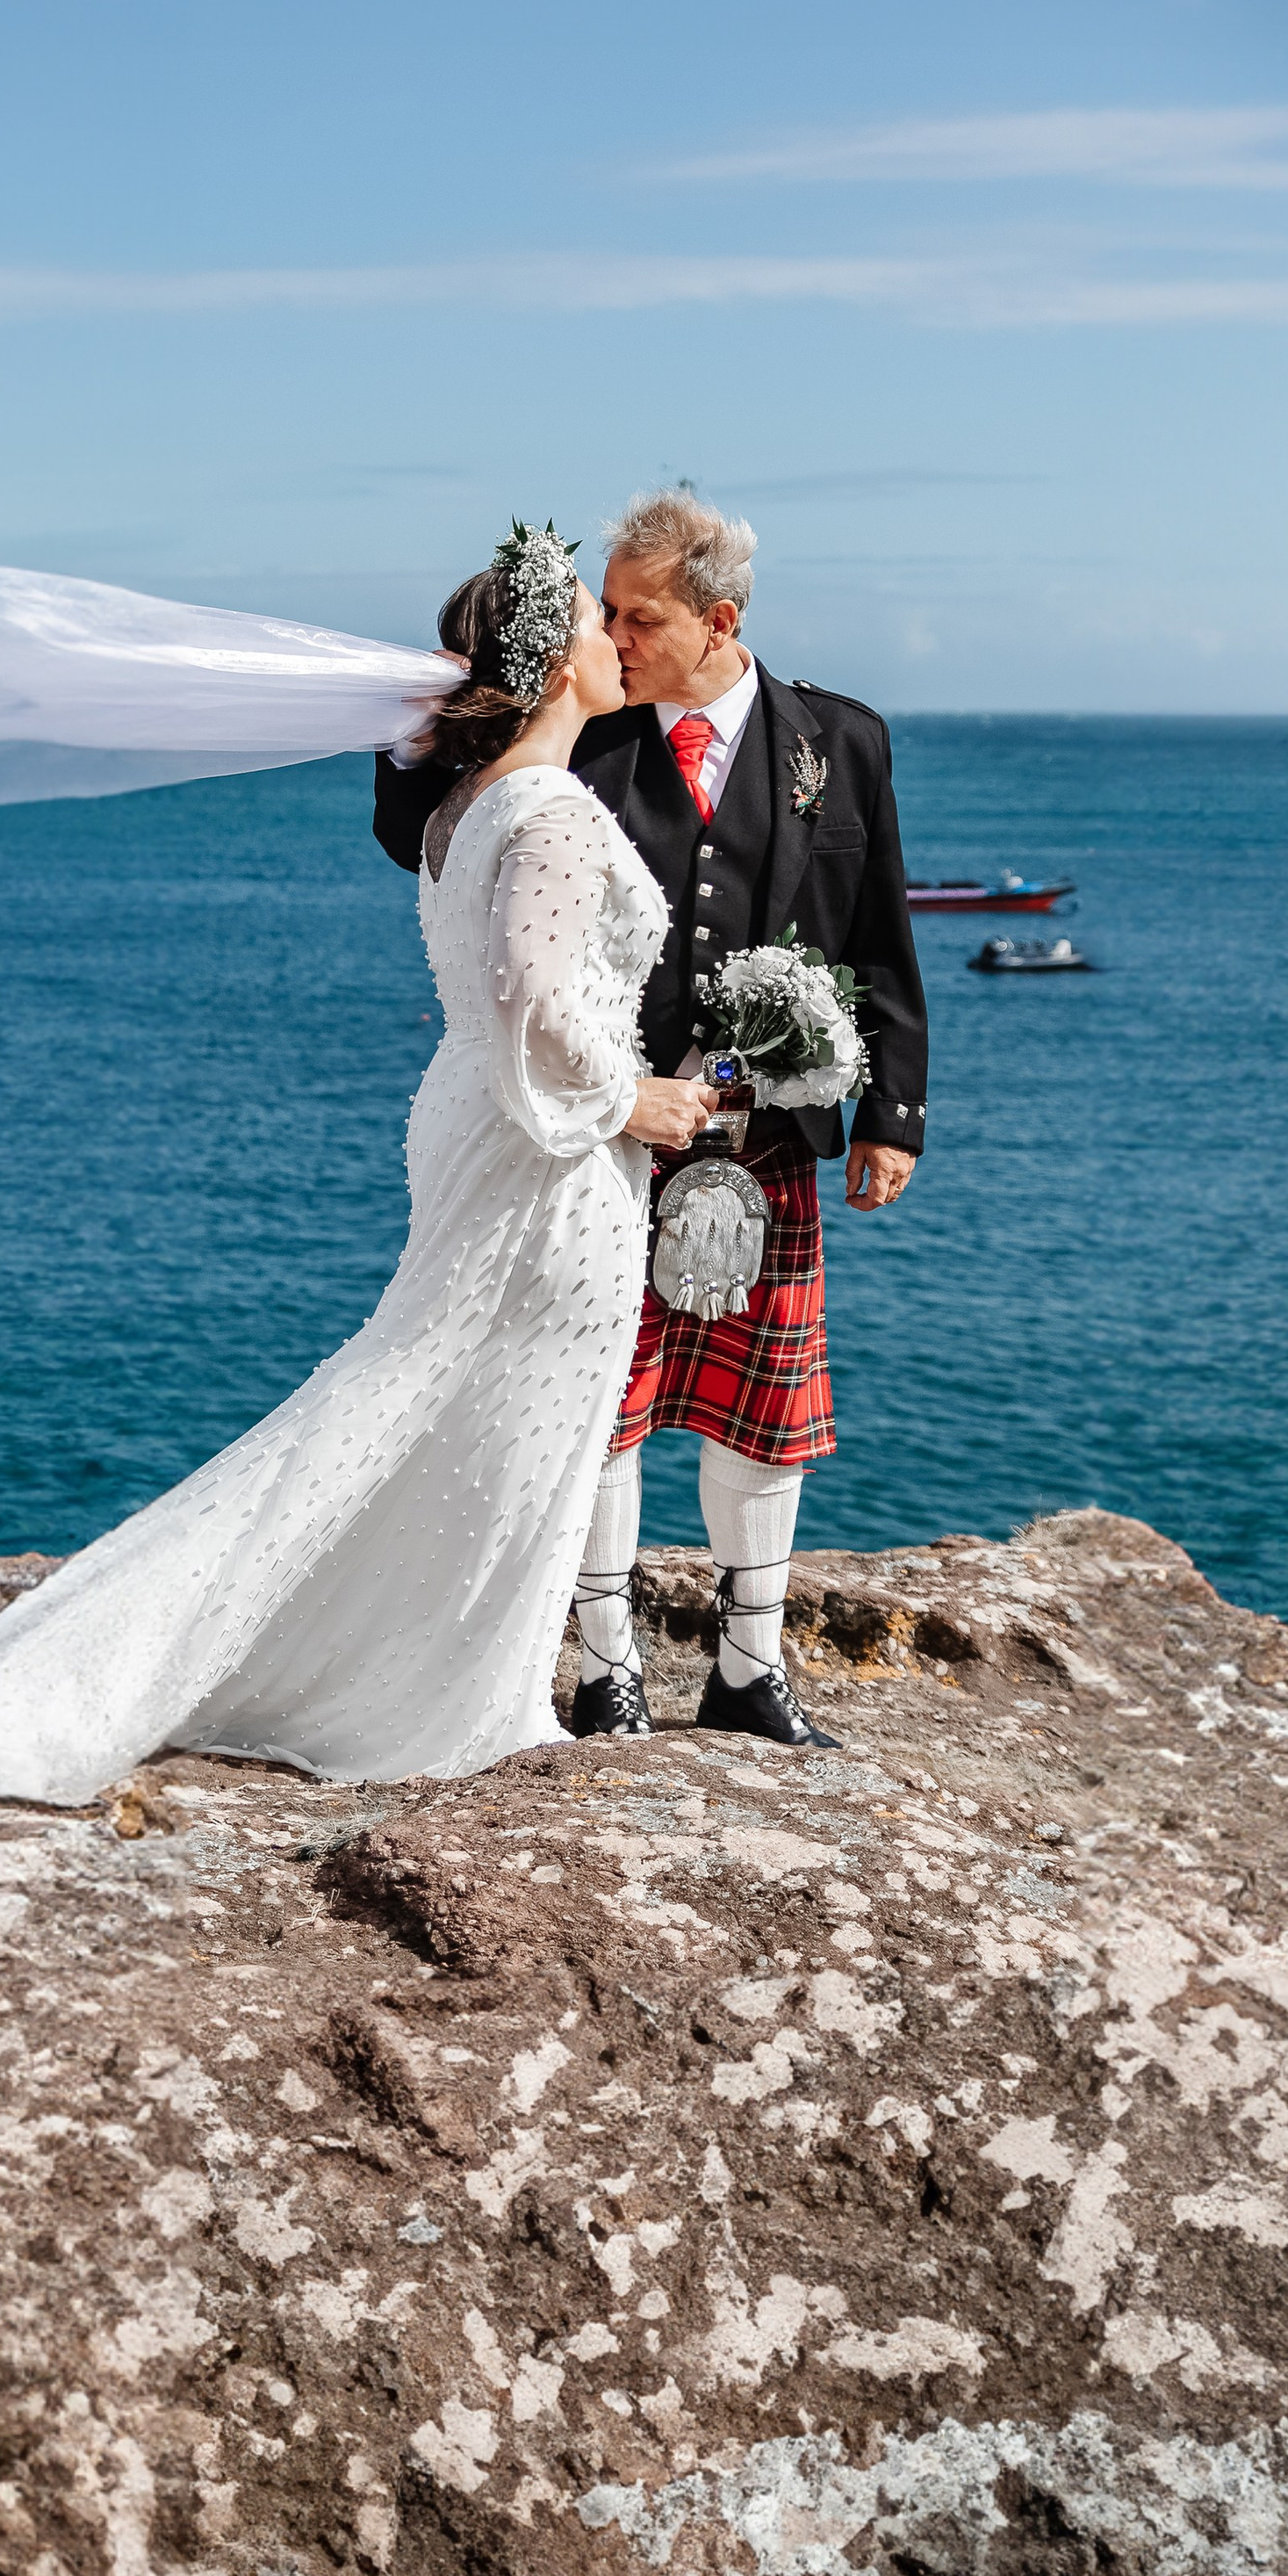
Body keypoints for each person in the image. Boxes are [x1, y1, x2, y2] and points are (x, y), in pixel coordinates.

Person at [0, 527, 719, 1870]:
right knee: (469, 1407)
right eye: (596, 622)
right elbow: (530, 999)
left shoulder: (461, 815)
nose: (618, 637)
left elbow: (512, 1004)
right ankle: (453, 1692)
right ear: (549, 664)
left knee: (444, 1403)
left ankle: (449, 1673)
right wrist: (636, 1100)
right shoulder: (548, 810)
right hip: (550, 1157)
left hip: (497, 1134)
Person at [373, 489, 927, 1750]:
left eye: (641, 614)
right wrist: (423, 715)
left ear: (718, 619)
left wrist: (894, 1111)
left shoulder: (842, 740)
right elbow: (415, 827)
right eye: (604, 611)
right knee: (605, 1404)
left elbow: (879, 929)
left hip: (768, 1135)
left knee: (765, 1416)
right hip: (608, 1135)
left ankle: (750, 1668)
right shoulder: (589, 737)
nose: (615, 635)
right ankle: (607, 1666)